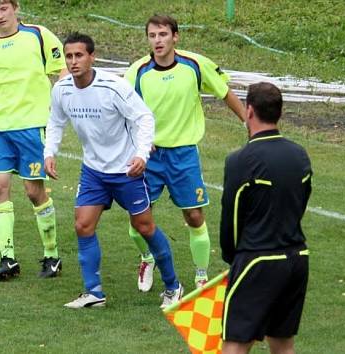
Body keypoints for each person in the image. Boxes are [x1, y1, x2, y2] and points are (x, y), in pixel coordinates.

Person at [44, 32, 183, 309]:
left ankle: (173, 286)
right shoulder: (62, 89)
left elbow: (143, 117)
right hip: (94, 170)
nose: (73, 62)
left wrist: (141, 155)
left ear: (92, 57)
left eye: (79, 55)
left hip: (126, 170)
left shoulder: (113, 87)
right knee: (83, 225)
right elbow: (55, 121)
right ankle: (94, 292)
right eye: (69, 56)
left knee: (144, 226)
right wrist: (50, 152)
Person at [124, 14, 246, 291]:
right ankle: (147, 258)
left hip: (184, 156)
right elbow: (122, 108)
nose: (158, 40)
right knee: (138, 218)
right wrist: (137, 140)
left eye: (163, 35)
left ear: (175, 37)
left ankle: (200, 275)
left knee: (194, 215)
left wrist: (248, 123)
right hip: (148, 157)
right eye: (152, 35)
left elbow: (225, 92)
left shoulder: (194, 65)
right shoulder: (137, 71)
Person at [0, 0, 68, 280]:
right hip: (2, 128)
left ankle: (52, 256)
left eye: (4, 9)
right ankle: (7, 258)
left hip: (33, 126)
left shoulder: (38, 35)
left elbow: (61, 69)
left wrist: (59, 101)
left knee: (34, 192)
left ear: (15, 8)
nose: (0, 15)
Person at [220, 82, 311, 354]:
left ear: (248, 111)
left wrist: (232, 257)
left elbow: (232, 218)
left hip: (257, 261)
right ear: (280, 113)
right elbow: (301, 202)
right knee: (282, 343)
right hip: (297, 259)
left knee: (236, 342)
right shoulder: (300, 155)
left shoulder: (241, 160)